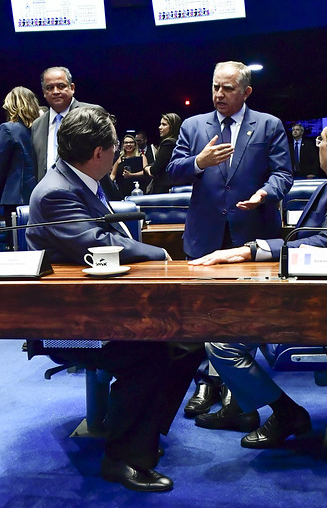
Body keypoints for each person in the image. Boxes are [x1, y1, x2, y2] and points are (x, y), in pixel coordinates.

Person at [26, 107, 204, 492]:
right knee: (150, 354)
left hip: (100, 308)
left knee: (189, 341)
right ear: (98, 153)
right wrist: (157, 253)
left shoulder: (82, 180)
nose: (118, 153)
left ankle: (141, 432)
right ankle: (122, 459)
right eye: (113, 147)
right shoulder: (57, 191)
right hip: (67, 323)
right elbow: (95, 244)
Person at [188, 112, 327, 448]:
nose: (318, 144)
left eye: (322, 139)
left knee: (222, 343)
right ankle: (240, 407)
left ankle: (286, 413)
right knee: (231, 315)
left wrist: (253, 250)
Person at [167, 60, 293, 418]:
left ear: (246, 92)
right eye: (215, 87)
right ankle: (205, 382)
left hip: (251, 234)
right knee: (200, 314)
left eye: (228, 88)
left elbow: (283, 175)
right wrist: (199, 162)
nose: (219, 94)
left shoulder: (268, 125)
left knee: (243, 314)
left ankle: (233, 387)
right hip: (204, 234)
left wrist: (265, 194)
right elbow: (172, 172)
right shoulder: (193, 126)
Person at [31, 66, 104, 182]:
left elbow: (106, 154)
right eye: (50, 88)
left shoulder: (92, 114)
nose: (55, 91)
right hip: (47, 189)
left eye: (61, 86)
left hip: (85, 189)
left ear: (72, 88)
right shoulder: (37, 125)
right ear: (44, 92)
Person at [0, 87, 39, 247]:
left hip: (15, 196)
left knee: (16, 245)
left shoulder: (8, 128)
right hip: (38, 193)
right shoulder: (40, 129)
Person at [143, 113, 181, 193]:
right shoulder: (179, 142)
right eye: (160, 124)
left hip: (164, 188)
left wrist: (147, 168)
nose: (160, 127)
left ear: (172, 127)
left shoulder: (168, 143)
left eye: (164, 124)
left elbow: (155, 170)